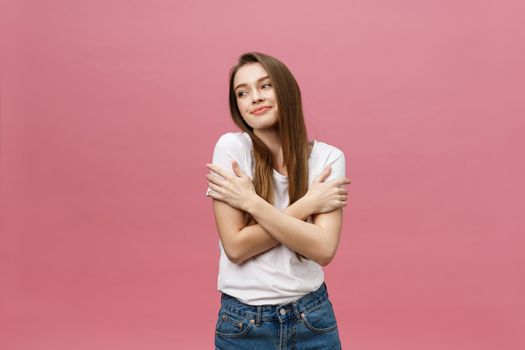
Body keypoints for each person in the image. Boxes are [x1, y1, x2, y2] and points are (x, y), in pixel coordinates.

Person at [205, 52, 351, 349]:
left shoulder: (328, 158)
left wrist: (252, 203)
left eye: (265, 86)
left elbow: (323, 249)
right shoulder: (231, 148)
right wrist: (308, 205)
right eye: (242, 93)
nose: (254, 98)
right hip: (245, 324)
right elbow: (236, 247)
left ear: (286, 90)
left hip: (313, 319)